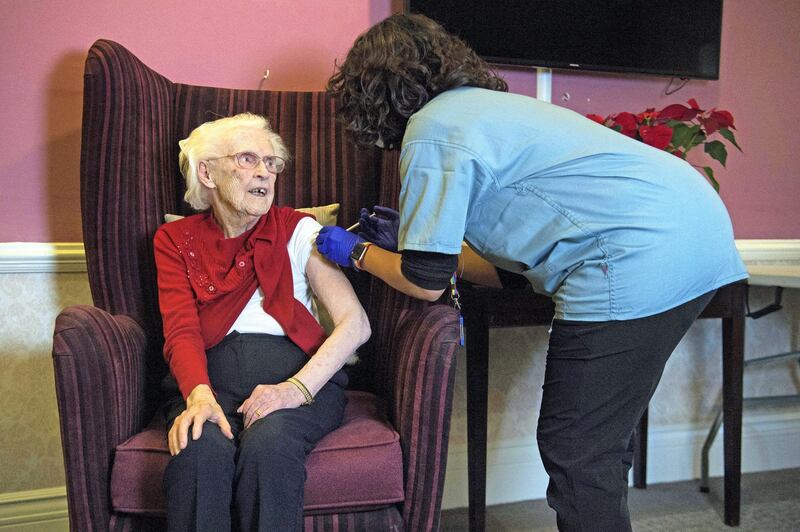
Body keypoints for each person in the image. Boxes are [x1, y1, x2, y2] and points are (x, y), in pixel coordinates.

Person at [315, 13, 748, 532]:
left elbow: (425, 282)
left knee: (576, 451)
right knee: (598, 444)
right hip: (697, 231)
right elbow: (503, 267)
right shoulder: (493, 110)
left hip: (636, 254)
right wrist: (419, 249)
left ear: (373, 91)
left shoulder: (432, 131)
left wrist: (358, 252)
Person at [153, 112, 371, 531]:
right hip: (206, 382)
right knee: (198, 451)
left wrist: (294, 390)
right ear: (208, 172)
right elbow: (181, 329)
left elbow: (355, 323)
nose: (265, 174)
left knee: (269, 449)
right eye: (249, 159)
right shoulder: (174, 240)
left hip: (297, 382)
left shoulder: (297, 230)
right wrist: (199, 398)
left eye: (272, 163)